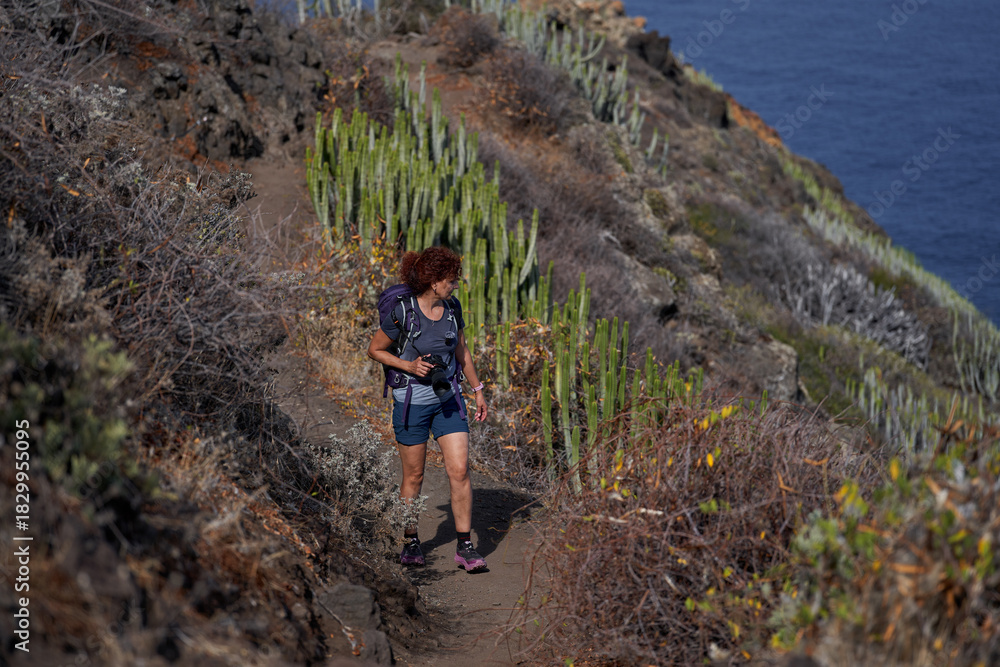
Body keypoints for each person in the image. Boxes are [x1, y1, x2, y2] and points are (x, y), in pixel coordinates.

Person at [367, 246, 489, 571]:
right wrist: (409, 366)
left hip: (449, 400)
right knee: (415, 475)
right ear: (434, 281)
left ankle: (465, 547)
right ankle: (411, 541)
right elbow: (375, 350)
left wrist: (477, 390)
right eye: (451, 280)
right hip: (411, 404)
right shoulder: (403, 312)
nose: (455, 286)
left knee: (460, 470)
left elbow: (461, 350)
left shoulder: (452, 308)